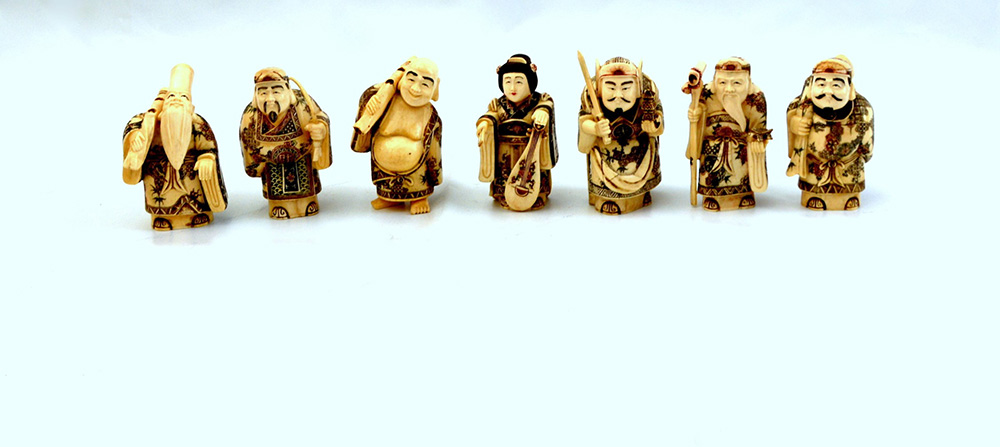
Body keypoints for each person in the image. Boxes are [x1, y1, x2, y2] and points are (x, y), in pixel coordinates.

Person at [121, 64, 227, 230]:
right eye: (172, 96)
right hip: (159, 180)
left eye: (183, 97)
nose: (177, 100)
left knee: (196, 203)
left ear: (191, 107)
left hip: (191, 180)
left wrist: (207, 159)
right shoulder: (147, 123)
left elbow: (209, 148)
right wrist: (143, 131)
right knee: (161, 201)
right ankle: (162, 216)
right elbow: (133, 143)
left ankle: (198, 214)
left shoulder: (197, 124)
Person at [351, 57, 442, 215]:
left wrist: (435, 175)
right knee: (387, 189)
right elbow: (367, 115)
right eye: (411, 79)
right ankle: (389, 198)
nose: (415, 89)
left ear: (435, 88)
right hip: (383, 169)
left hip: (416, 171)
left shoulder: (430, 114)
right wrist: (371, 101)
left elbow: (434, 148)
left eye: (425, 84)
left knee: (418, 184)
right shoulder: (386, 102)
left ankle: (419, 199)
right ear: (401, 79)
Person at [239, 67, 331, 219]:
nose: (270, 98)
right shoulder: (251, 115)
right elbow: (246, 140)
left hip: (302, 160)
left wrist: (321, 127)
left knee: (308, 202)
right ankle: (279, 205)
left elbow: (320, 115)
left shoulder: (302, 102)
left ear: (288, 89)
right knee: (279, 203)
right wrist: (257, 164)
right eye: (263, 93)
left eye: (276, 91)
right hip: (272, 165)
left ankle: (307, 201)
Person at [786, 55, 874, 210]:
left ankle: (849, 197)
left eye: (836, 85)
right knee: (814, 189)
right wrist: (795, 124)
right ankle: (814, 196)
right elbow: (791, 118)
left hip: (848, 164)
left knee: (849, 188)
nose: (827, 91)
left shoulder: (862, 109)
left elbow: (867, 142)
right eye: (821, 84)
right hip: (816, 163)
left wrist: (865, 154)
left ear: (850, 88)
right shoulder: (801, 107)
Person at [578, 56, 663, 215]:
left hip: (639, 148)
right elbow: (584, 122)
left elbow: (658, 119)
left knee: (645, 153)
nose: (618, 95)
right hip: (606, 153)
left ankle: (643, 191)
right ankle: (606, 197)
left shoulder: (648, 91)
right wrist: (595, 128)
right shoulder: (590, 95)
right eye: (611, 87)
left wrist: (652, 125)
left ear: (637, 86)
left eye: (625, 88)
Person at [687, 57, 771, 211]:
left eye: (737, 83)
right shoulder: (705, 93)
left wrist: (757, 141)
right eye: (722, 83)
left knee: (743, 162)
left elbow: (759, 127)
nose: (729, 89)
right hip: (713, 144)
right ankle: (712, 195)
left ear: (748, 82)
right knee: (712, 164)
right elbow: (699, 118)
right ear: (715, 81)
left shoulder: (756, 97)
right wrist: (696, 115)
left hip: (741, 144)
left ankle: (744, 194)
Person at [476, 54, 557, 211]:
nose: (512, 88)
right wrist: (485, 123)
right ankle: (503, 193)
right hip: (505, 151)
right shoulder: (499, 104)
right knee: (505, 172)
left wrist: (543, 111)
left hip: (531, 148)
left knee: (534, 172)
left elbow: (547, 104)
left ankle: (538, 193)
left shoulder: (539, 101)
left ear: (530, 82)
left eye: (519, 82)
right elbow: (492, 115)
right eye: (507, 81)